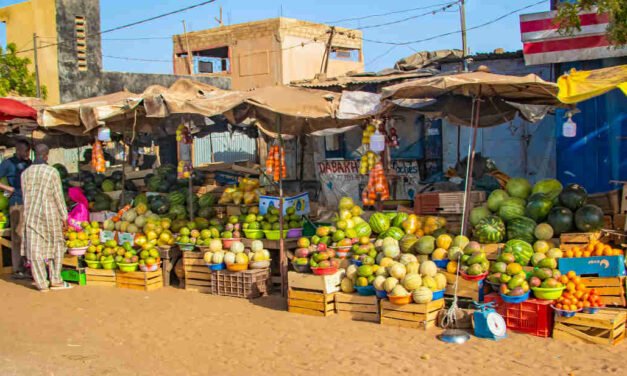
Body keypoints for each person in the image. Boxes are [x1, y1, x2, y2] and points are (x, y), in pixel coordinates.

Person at [21, 144, 71, 291]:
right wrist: (64, 216)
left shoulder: (25, 173)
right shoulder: (52, 172)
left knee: (35, 249)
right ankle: (56, 279)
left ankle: (41, 283)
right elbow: (58, 196)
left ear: (34, 154)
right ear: (46, 155)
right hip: (50, 213)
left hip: (31, 214)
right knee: (56, 245)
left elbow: (25, 197)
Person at [0, 139, 32, 279]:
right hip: (16, 203)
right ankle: (17, 268)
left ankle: (28, 266)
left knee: (29, 235)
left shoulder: (29, 163)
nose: (27, 153)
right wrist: (9, 189)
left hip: (31, 202)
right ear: (18, 150)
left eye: (28, 151)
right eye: (25, 151)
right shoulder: (8, 163)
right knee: (17, 235)